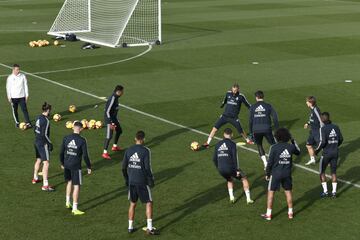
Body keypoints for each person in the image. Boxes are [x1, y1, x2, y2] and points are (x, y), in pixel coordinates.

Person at [122, 131, 159, 235]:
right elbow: (147, 167)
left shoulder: (129, 150)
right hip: (142, 182)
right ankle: (150, 228)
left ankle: (130, 227)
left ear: (135, 138)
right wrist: (151, 179)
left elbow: (123, 167)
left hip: (132, 181)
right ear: (143, 139)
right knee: (149, 202)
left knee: (132, 204)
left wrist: (126, 179)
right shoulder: (146, 151)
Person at [261, 128, 300, 221]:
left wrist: (267, 173)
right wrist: (293, 141)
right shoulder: (290, 147)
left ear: (277, 137)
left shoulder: (274, 147)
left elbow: (269, 162)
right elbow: (298, 152)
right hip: (287, 173)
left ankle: (268, 214)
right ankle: (290, 213)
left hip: (275, 174)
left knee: (271, 193)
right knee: (288, 192)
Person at [203, 83, 253, 148]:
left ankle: (248, 140)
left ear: (238, 89)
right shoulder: (228, 93)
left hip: (234, 118)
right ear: (231, 89)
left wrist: (253, 109)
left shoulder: (241, 96)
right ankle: (207, 143)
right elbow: (225, 100)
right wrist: (223, 104)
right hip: (225, 116)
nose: (234, 92)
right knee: (214, 128)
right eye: (233, 90)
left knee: (240, 130)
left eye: (235, 90)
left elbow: (247, 104)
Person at [213, 128, 254, 204]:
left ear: (224, 134)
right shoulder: (232, 144)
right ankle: (248, 199)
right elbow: (235, 158)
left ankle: (232, 198)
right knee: (244, 178)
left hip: (221, 169)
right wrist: (237, 170)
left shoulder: (218, 144)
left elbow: (214, 159)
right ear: (232, 135)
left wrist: (218, 167)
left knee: (229, 179)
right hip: (231, 168)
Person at [60, 121, 92, 215]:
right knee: (77, 185)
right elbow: (85, 156)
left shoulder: (66, 138)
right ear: (81, 129)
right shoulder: (82, 140)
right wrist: (89, 166)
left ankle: (67, 202)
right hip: (76, 166)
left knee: (69, 182)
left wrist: (62, 163)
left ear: (73, 127)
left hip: (67, 164)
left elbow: (61, 152)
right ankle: (75, 208)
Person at [315, 112, 343, 198]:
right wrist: (335, 146)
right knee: (333, 172)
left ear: (323, 119)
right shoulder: (336, 127)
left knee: (322, 172)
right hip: (335, 153)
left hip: (326, 153)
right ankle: (334, 192)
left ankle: (326, 192)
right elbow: (341, 139)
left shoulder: (322, 129)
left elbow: (322, 142)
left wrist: (316, 151)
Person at [249, 90, 279, 169]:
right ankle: (276, 160)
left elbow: (250, 121)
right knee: (273, 144)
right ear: (263, 97)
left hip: (256, 130)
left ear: (256, 97)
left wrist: (250, 133)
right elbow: (275, 118)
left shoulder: (252, 107)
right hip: (267, 129)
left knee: (259, 145)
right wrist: (277, 129)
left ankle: (265, 163)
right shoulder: (268, 106)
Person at [32, 102, 54, 191]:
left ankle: (35, 178)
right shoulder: (46, 121)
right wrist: (50, 143)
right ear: (48, 110)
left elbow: (35, 129)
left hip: (36, 141)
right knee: (46, 163)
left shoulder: (38, 117)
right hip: (42, 143)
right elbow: (44, 134)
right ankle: (45, 185)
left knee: (38, 160)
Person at [6, 64, 32, 128]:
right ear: (13, 70)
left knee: (24, 110)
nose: (18, 70)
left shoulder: (23, 76)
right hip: (13, 98)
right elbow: (8, 87)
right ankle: (17, 122)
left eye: (19, 69)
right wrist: (9, 96)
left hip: (22, 97)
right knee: (15, 111)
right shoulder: (10, 77)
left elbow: (25, 85)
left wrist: (27, 94)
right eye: (17, 69)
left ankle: (28, 122)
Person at [102, 85, 124, 160]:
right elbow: (107, 111)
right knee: (109, 136)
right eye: (122, 91)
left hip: (114, 118)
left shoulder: (116, 98)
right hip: (109, 119)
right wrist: (110, 122)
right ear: (118, 92)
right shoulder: (113, 98)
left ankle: (114, 146)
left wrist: (116, 119)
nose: (123, 93)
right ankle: (104, 153)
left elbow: (113, 111)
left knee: (119, 131)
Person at [304, 96, 324, 165]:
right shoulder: (312, 109)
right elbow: (312, 118)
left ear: (310, 103)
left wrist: (322, 130)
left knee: (322, 146)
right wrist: (308, 123)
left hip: (318, 131)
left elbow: (321, 120)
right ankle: (312, 159)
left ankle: (328, 160)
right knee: (308, 145)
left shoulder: (316, 109)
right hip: (312, 131)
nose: (306, 103)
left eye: (307, 101)